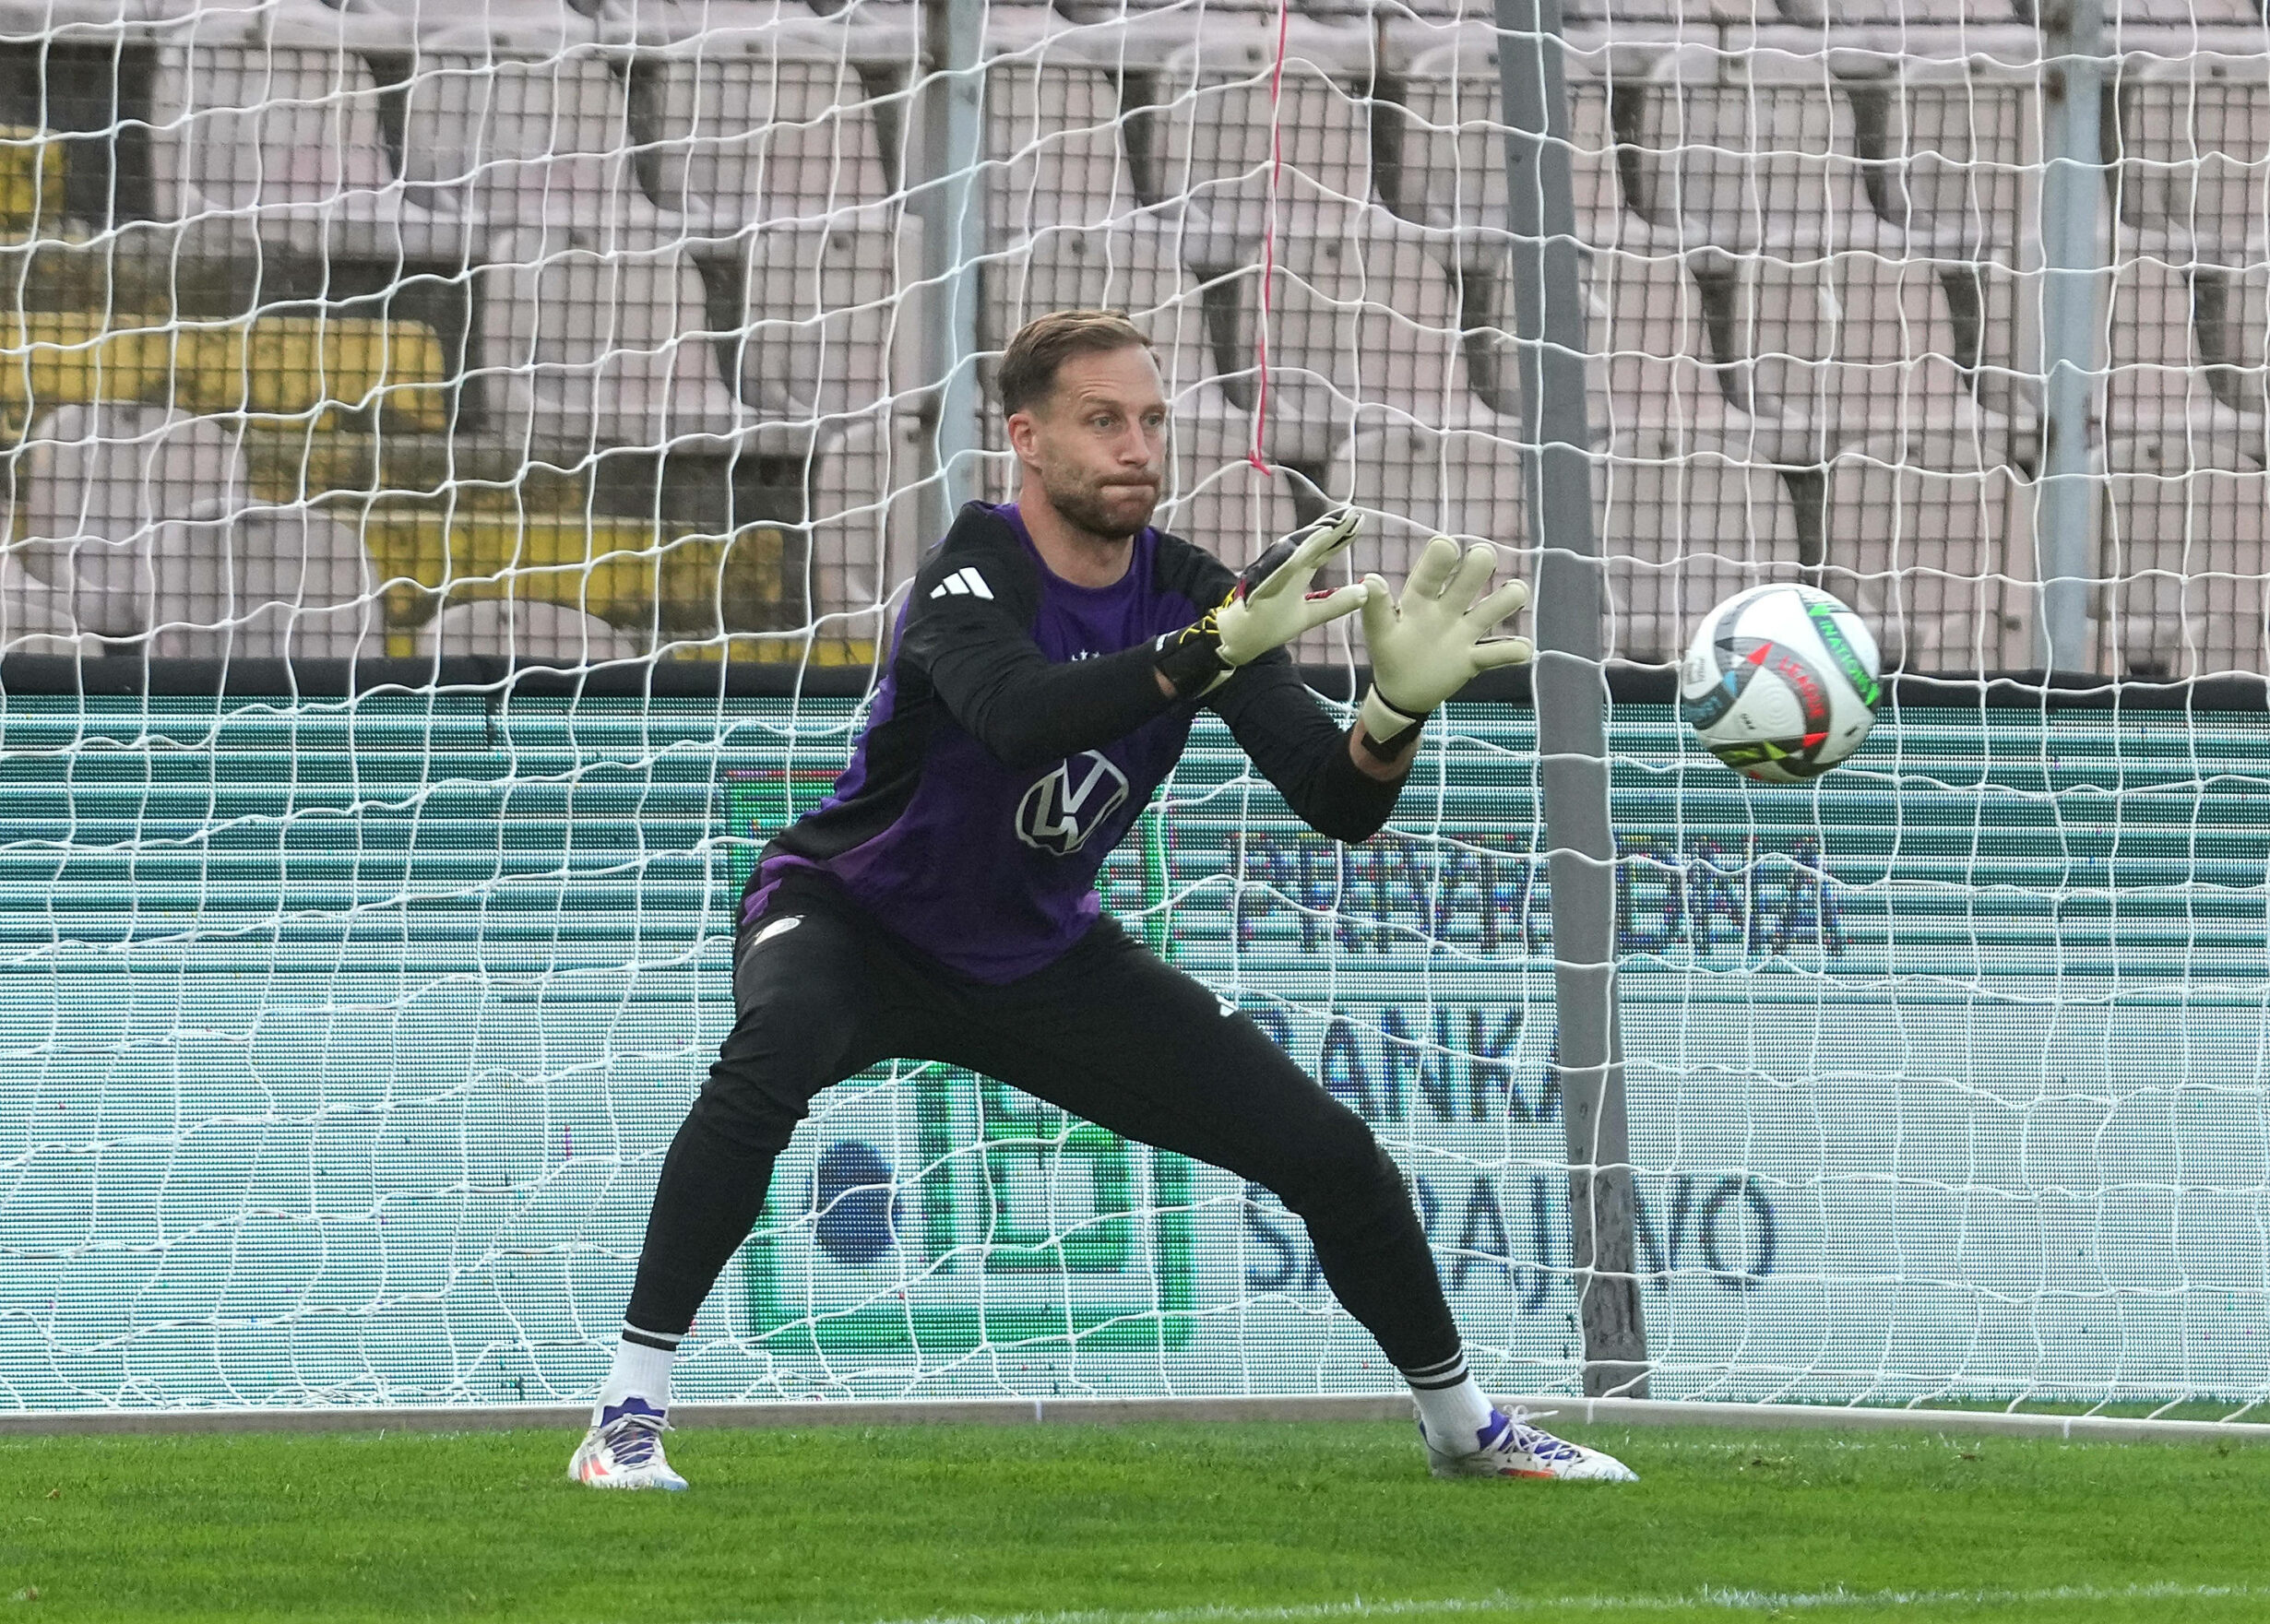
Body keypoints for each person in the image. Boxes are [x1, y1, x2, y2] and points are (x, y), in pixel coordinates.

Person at [568, 310, 1637, 1490]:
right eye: (1101, 421)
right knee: (771, 1054)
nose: (1137, 446)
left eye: (1152, 421)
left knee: (1329, 1154)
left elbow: (1337, 800)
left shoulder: (1191, 591)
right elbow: (1021, 715)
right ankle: (626, 1414)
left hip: (1037, 957)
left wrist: (1393, 715)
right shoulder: (972, 574)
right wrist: (1204, 650)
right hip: (853, 916)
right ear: (1026, 439)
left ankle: (1463, 1426)